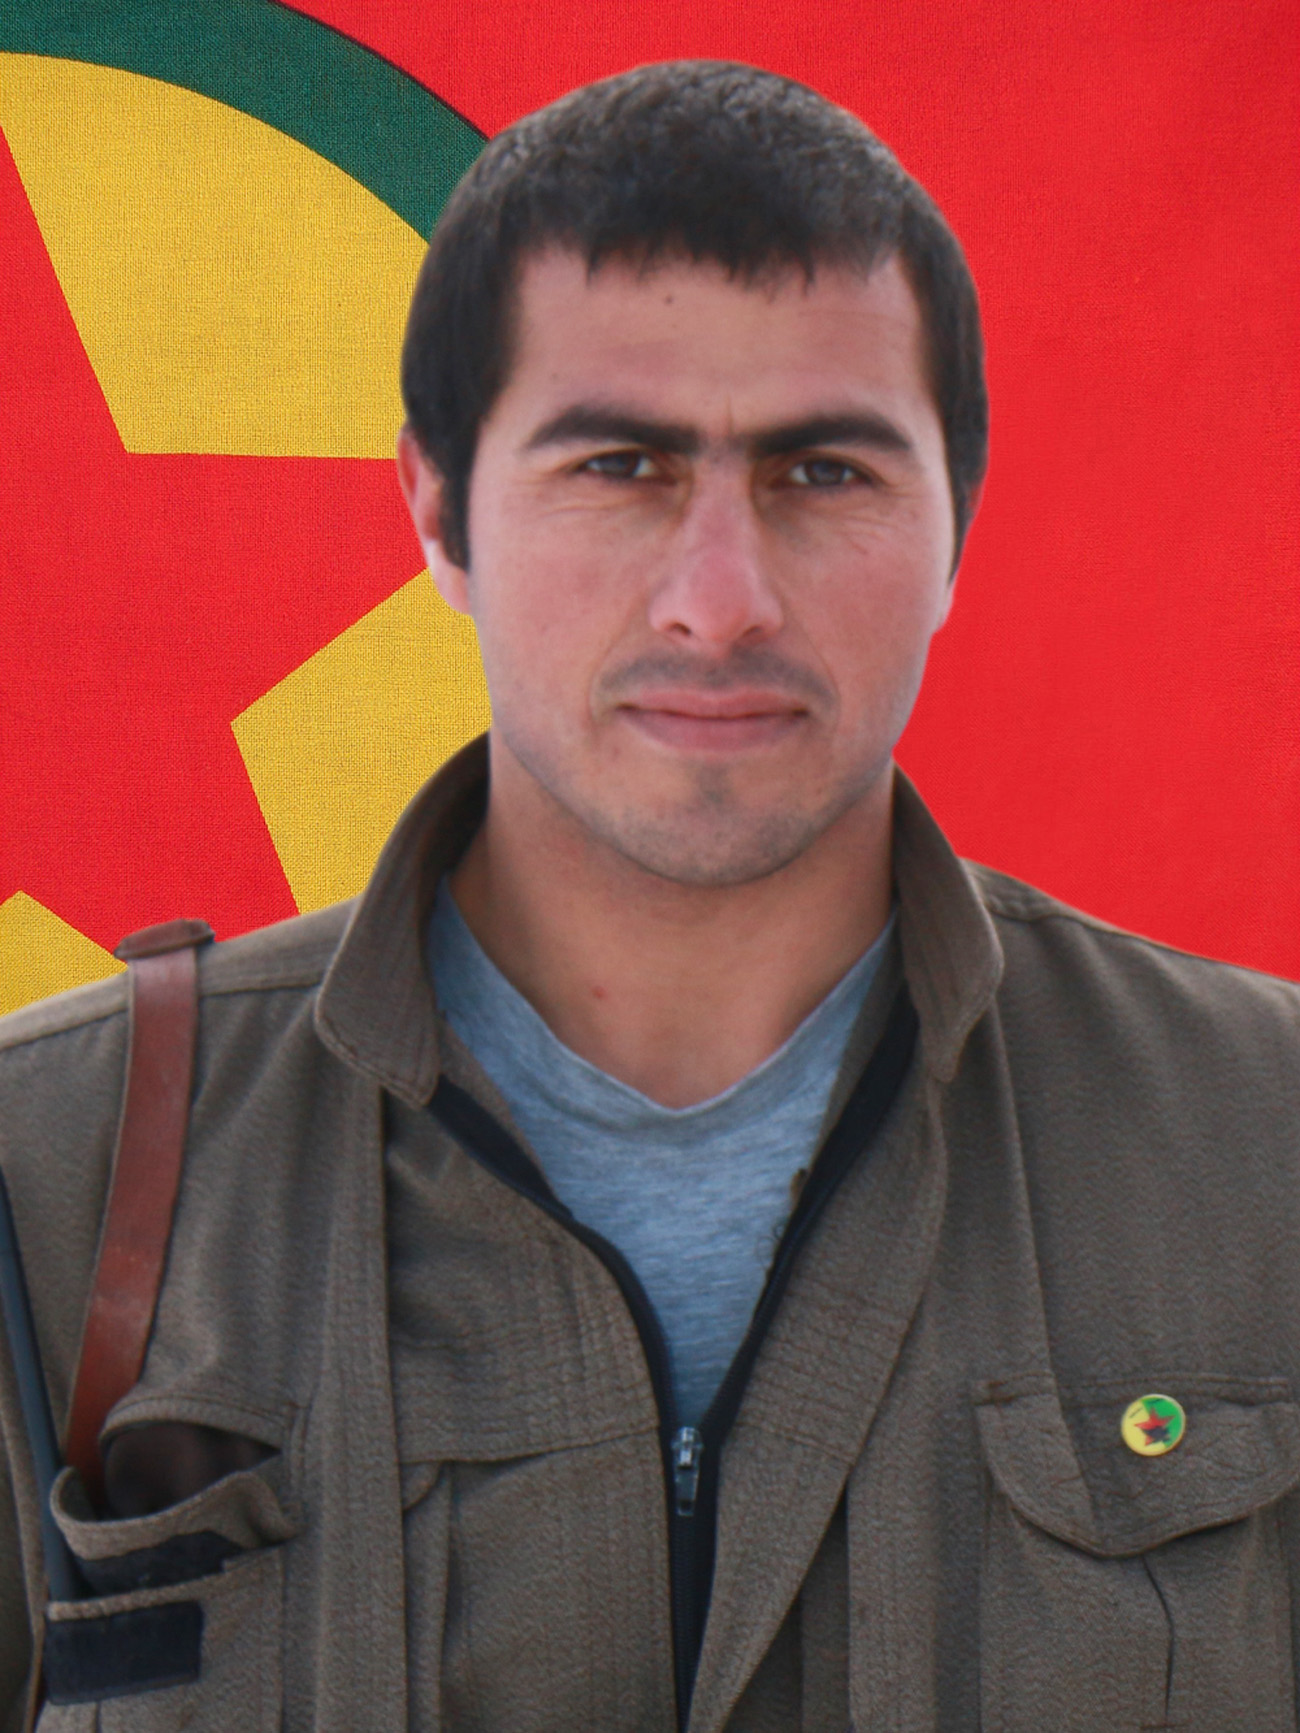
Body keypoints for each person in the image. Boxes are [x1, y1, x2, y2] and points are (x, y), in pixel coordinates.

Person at [1, 58, 1298, 1733]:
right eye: (619, 467)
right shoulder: (53, 1174)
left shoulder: (1264, 1142)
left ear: (959, 521)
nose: (719, 600)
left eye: (825, 472)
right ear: (438, 511)